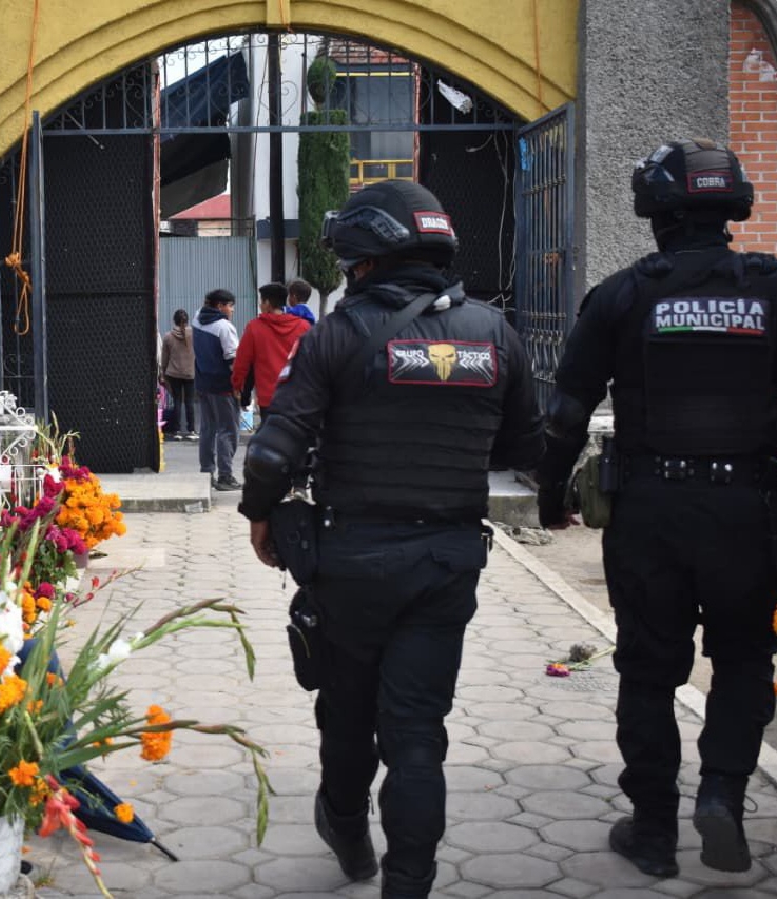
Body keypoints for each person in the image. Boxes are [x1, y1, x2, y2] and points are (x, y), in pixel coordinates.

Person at [238, 181, 544, 897]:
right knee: (416, 730)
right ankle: (409, 880)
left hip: (352, 564)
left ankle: (347, 829)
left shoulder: (339, 335)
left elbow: (274, 452)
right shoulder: (496, 334)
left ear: (365, 254)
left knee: (347, 712)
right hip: (446, 562)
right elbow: (526, 443)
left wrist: (260, 514)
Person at [536, 138, 777, 880]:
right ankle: (723, 795)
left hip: (651, 510)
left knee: (649, 671)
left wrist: (552, 494)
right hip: (753, 509)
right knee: (742, 659)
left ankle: (651, 832)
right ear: (731, 204)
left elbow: (567, 409)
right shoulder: (771, 289)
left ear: (655, 211)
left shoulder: (623, 294)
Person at [232, 282, 311, 425]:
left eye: (261, 301)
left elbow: (242, 361)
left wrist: (237, 385)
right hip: (296, 396)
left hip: (268, 397)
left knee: (271, 441)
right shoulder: (303, 326)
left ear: (267, 303)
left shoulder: (254, 327)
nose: (260, 306)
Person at [193, 288, 242, 490]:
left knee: (207, 429)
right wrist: (239, 385)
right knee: (228, 430)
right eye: (230, 306)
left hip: (203, 383)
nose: (232, 310)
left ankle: (206, 472)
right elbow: (233, 359)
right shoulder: (224, 327)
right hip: (223, 387)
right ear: (220, 306)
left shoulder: (197, 318)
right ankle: (225, 475)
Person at [160, 309, 197, 441]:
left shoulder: (168, 336)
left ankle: (176, 430)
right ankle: (192, 430)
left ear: (174, 321)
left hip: (173, 373)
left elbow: (164, 358)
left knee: (177, 401)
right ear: (187, 320)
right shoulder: (194, 334)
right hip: (190, 373)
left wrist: (163, 372)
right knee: (189, 402)